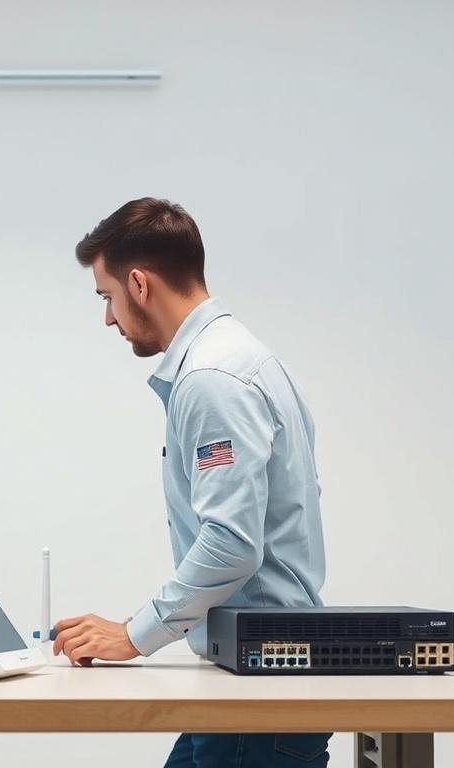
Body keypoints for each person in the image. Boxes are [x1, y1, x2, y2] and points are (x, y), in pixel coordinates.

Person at [51, 198, 331, 767]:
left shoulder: (212, 379)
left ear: (138, 283)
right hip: (248, 679)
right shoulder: (246, 359)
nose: (108, 317)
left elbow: (230, 543)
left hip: (259, 694)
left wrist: (133, 635)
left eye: (107, 296)